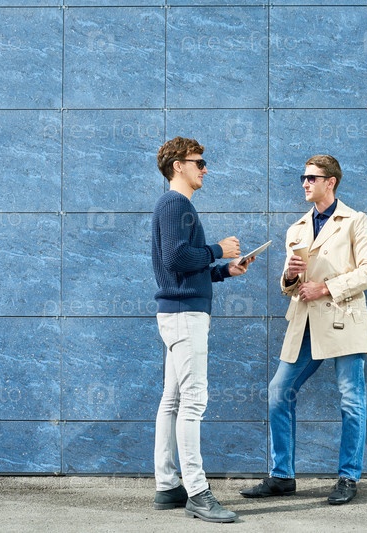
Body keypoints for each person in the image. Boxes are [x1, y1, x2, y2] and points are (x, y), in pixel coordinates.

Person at [240, 154, 367, 505]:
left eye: (312, 178)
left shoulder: (355, 221)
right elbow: (289, 286)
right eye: (303, 177)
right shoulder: (297, 228)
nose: (305, 183)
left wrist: (326, 287)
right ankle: (282, 476)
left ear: (330, 182)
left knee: (350, 398)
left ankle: (348, 477)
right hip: (304, 321)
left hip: (343, 319)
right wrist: (290, 276)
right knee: (279, 391)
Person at [151, 136, 251, 523]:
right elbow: (176, 257)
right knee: (193, 402)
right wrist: (218, 250)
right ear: (178, 165)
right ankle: (197, 492)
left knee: (173, 400)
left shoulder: (174, 205)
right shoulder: (176, 204)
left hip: (178, 311)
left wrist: (224, 271)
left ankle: (167, 485)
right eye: (199, 162)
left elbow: (182, 268)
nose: (205, 169)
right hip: (185, 316)